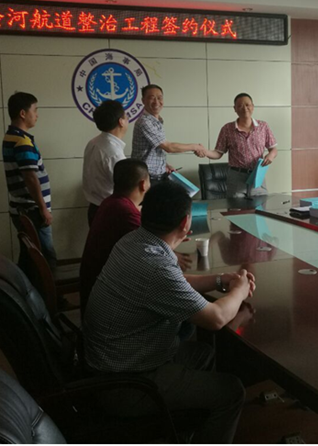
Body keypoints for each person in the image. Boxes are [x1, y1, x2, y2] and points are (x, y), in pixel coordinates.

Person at [84, 181, 255, 443]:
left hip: (112, 363)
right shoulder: (155, 266)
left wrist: (221, 280)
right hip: (126, 385)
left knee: (203, 354)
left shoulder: (134, 242)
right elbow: (216, 318)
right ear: (186, 222)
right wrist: (240, 291)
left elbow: (176, 282)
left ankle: (184, 429)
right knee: (232, 391)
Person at [79, 158, 148, 314]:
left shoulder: (111, 202)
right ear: (143, 184)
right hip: (107, 301)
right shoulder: (125, 212)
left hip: (96, 290)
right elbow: (152, 248)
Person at [2, 92, 57, 270]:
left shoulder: (11, 136)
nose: (37, 115)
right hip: (32, 210)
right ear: (23, 113)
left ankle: (27, 286)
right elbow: (30, 177)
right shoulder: (22, 141)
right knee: (45, 257)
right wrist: (43, 208)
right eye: (35, 110)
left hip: (22, 208)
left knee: (29, 255)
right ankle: (49, 288)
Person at [200, 93, 278, 197]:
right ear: (235, 109)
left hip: (257, 175)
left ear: (253, 106)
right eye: (240, 106)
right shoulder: (227, 129)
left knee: (260, 204)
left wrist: (271, 155)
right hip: (236, 177)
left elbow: (273, 149)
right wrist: (204, 152)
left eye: (247, 105)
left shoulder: (263, 126)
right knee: (236, 207)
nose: (244, 108)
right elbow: (218, 153)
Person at [131, 84, 205, 183]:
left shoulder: (158, 121)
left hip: (158, 176)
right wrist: (195, 147)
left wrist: (165, 165)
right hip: (145, 178)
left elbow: (155, 151)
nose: (156, 102)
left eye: (159, 98)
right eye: (152, 98)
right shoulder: (144, 122)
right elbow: (169, 147)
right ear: (143, 100)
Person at [82, 100, 128, 226]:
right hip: (111, 212)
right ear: (121, 121)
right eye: (126, 116)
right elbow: (126, 189)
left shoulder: (94, 142)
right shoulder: (114, 153)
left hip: (95, 208)